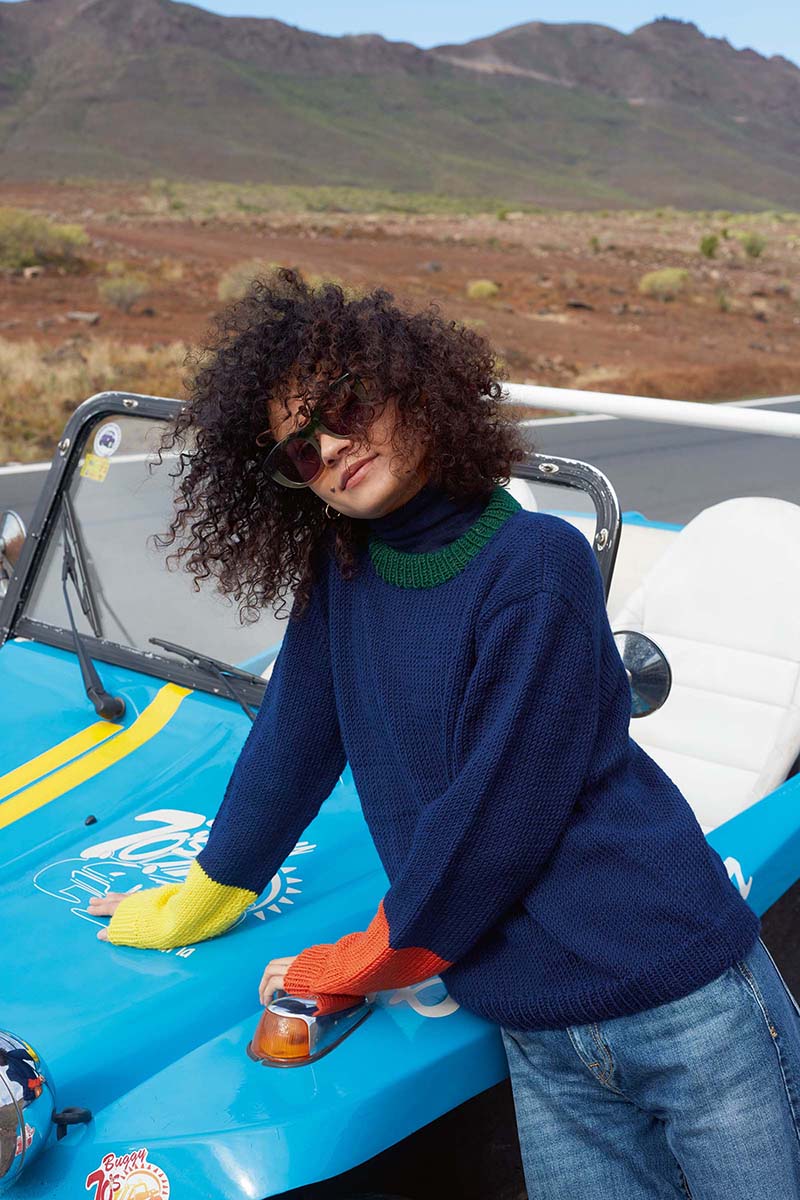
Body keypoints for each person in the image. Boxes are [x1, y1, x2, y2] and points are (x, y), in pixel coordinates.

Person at [89, 267, 800, 1198]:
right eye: (299, 450)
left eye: (345, 408)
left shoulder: (537, 563)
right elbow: (291, 744)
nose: (331, 448)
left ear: (413, 387)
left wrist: (360, 963)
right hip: (537, 1028)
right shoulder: (341, 574)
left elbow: (497, 816)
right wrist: (207, 890)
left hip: (680, 992)